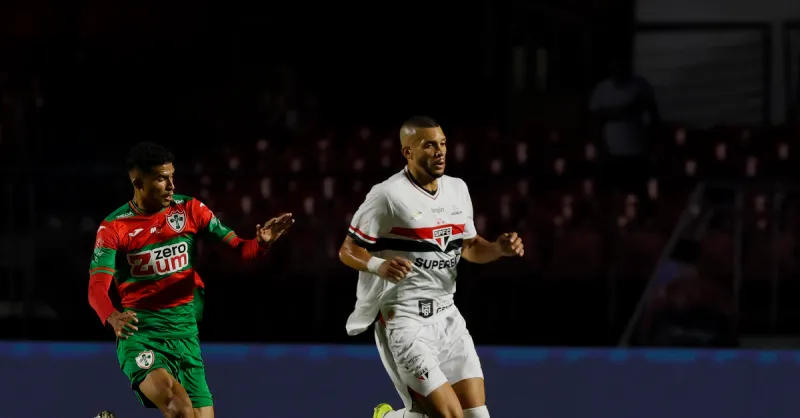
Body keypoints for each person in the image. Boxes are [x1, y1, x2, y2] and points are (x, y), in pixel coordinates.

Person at [88, 142, 294, 418]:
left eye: (172, 176)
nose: (171, 185)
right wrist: (112, 316)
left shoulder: (189, 209)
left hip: (185, 335)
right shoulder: (114, 227)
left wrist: (262, 243)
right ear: (138, 183)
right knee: (179, 407)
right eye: (161, 179)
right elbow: (96, 288)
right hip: (142, 335)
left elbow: (240, 249)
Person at [338, 116, 524, 418]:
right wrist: (378, 265)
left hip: (448, 318)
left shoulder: (457, 189)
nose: (440, 151)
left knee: (477, 416)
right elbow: (348, 250)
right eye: (429, 145)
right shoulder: (387, 196)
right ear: (407, 152)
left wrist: (498, 249)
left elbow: (470, 247)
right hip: (406, 321)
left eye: (443, 143)